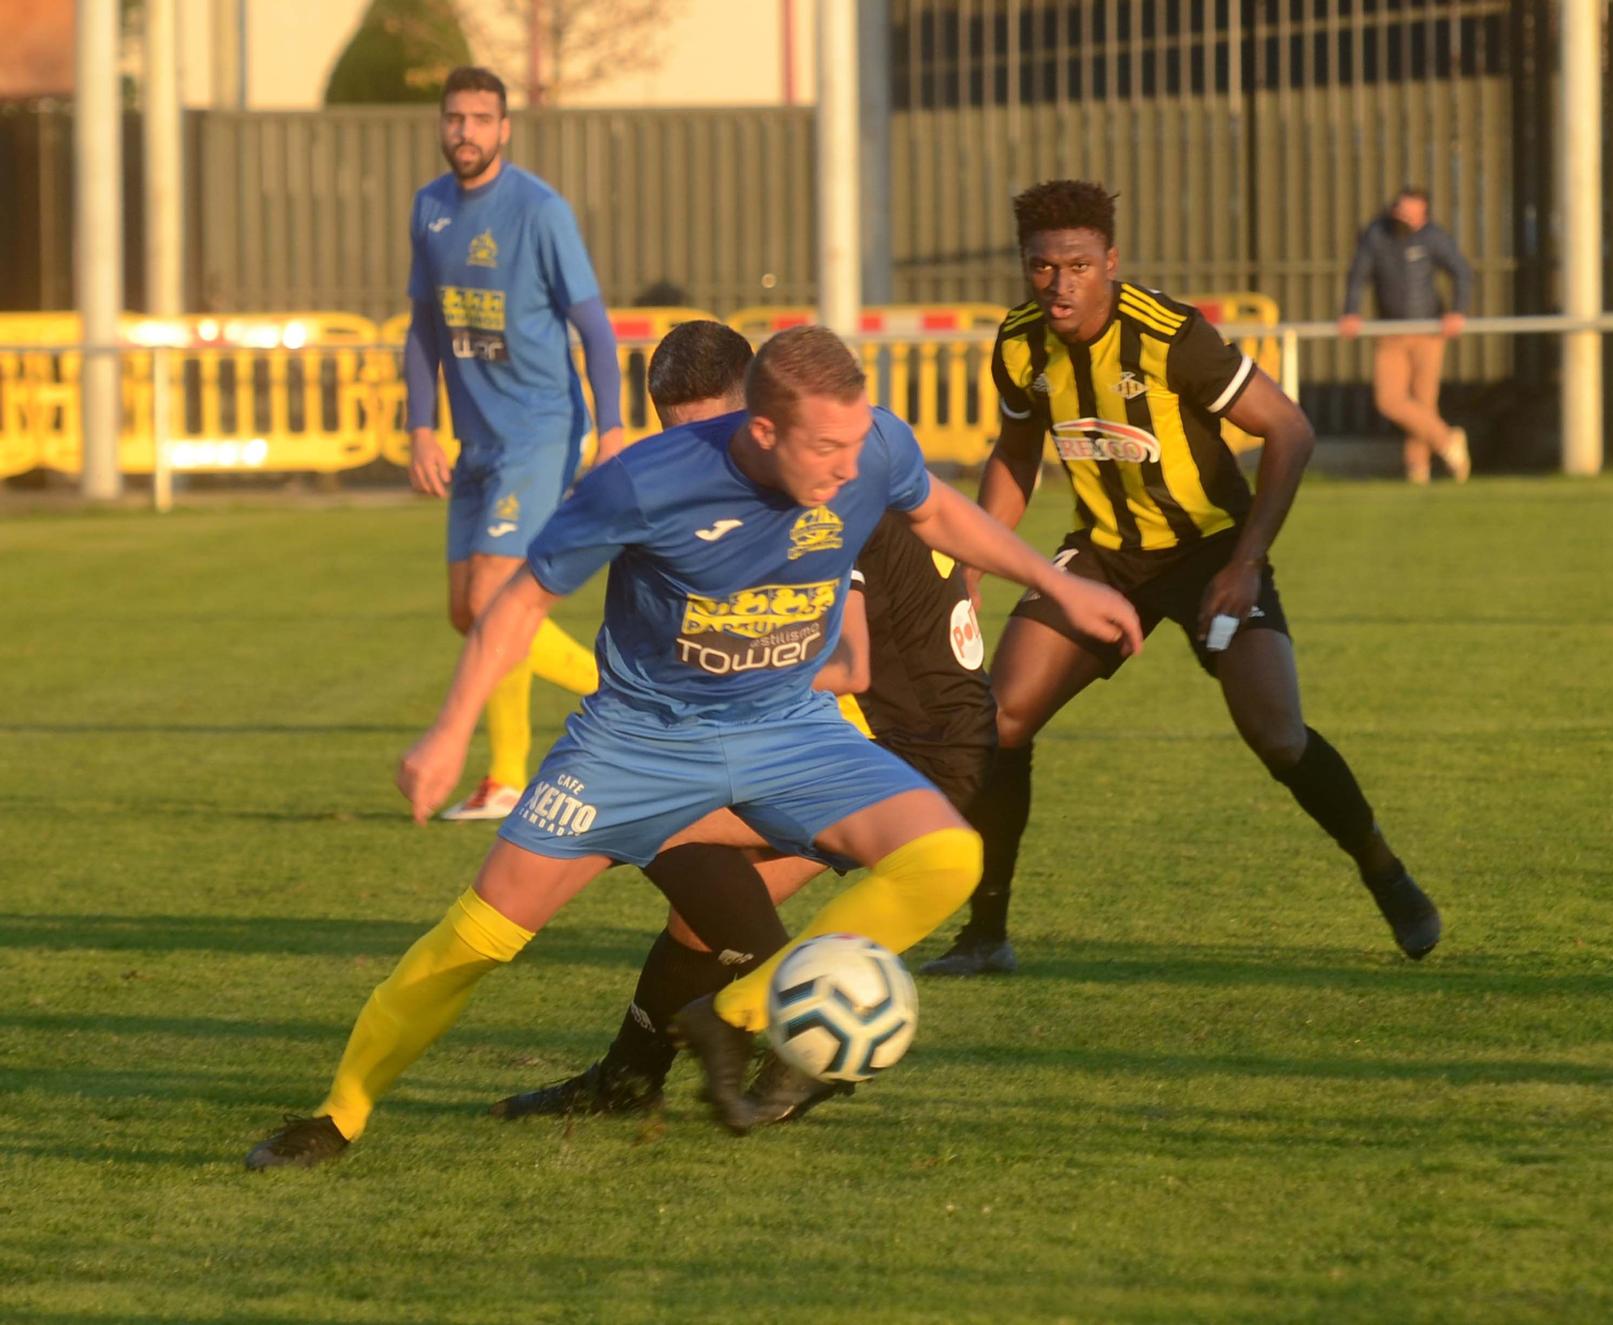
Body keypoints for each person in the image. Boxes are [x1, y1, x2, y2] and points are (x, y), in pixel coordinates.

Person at [244, 327, 1139, 1167]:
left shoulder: (868, 448)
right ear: (761, 426)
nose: (849, 464)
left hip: (787, 728)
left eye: (856, 443)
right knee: (479, 938)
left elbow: (936, 510)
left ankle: (736, 1011)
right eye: (825, 449)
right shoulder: (642, 482)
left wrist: (1050, 583)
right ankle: (340, 1114)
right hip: (633, 745)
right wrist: (448, 731)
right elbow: (517, 604)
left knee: (946, 855)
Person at [922, 179, 1439, 980]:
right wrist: (973, 560)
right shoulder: (1021, 343)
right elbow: (1018, 452)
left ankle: (1383, 869)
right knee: (1001, 719)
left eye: (1077, 265)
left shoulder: (1170, 336)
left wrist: (1246, 561)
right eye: (1041, 267)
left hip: (1209, 554)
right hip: (1102, 556)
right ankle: (986, 932)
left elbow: (1290, 429)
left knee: (1278, 735)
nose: (1059, 284)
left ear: (1110, 262)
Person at [487, 320, 997, 1123]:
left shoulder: (818, 492)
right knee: (698, 904)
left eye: (707, 431)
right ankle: (634, 1079)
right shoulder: (807, 462)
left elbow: (851, 664)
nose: (694, 465)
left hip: (901, 740)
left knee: (674, 839)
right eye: (673, 438)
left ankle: (806, 1046)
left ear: (752, 410)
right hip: (932, 731)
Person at [403, 65, 624, 821]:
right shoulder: (429, 207)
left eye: (479, 119)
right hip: (474, 442)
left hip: (540, 431)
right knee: (470, 616)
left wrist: (615, 426)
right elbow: (423, 328)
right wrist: (421, 426)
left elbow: (594, 329)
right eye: (453, 117)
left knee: (497, 600)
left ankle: (514, 772)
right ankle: (521, 765)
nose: (464, 131)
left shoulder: (539, 211)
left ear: (504, 128)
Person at [1337, 186, 1474, 485]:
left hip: (1428, 332)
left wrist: (1457, 311)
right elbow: (1358, 275)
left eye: (1410, 213)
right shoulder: (1377, 234)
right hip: (1391, 331)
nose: (1402, 217)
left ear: (1423, 215)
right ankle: (1447, 440)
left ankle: (1417, 470)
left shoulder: (1434, 237)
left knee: (1424, 402)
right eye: (1399, 211)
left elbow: (1461, 271)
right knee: (1389, 400)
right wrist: (1351, 311)